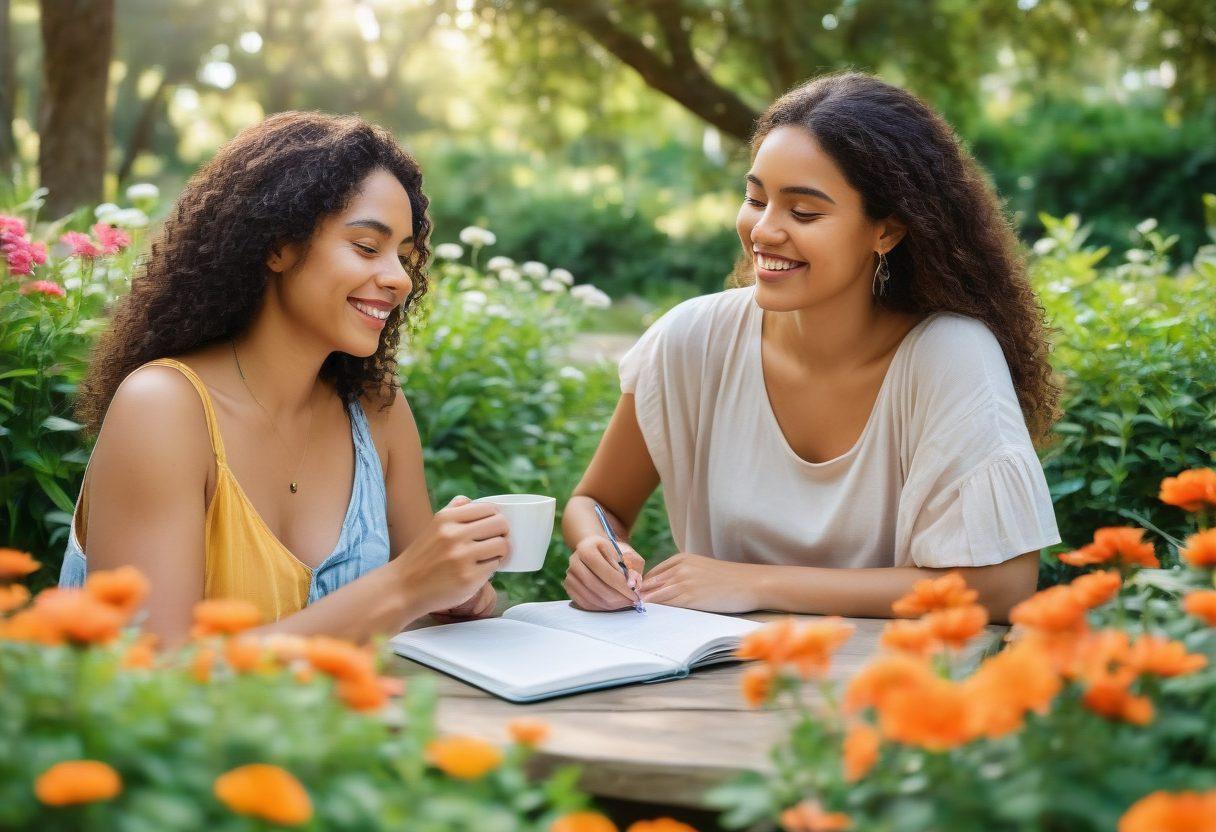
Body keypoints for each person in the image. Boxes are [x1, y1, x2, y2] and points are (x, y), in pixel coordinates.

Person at [562, 73, 1061, 623]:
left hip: (891, 685)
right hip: (709, 682)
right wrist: (600, 549)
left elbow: (1001, 586)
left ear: (886, 232)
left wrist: (758, 585)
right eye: (755, 199)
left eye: (803, 212)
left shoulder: (948, 356)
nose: (764, 230)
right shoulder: (692, 339)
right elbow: (598, 504)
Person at [60, 112, 506, 644]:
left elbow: (415, 619)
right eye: (367, 247)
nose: (398, 279)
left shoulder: (374, 409)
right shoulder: (163, 408)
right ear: (277, 246)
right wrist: (406, 587)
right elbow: (153, 679)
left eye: (405, 257)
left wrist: (456, 594)